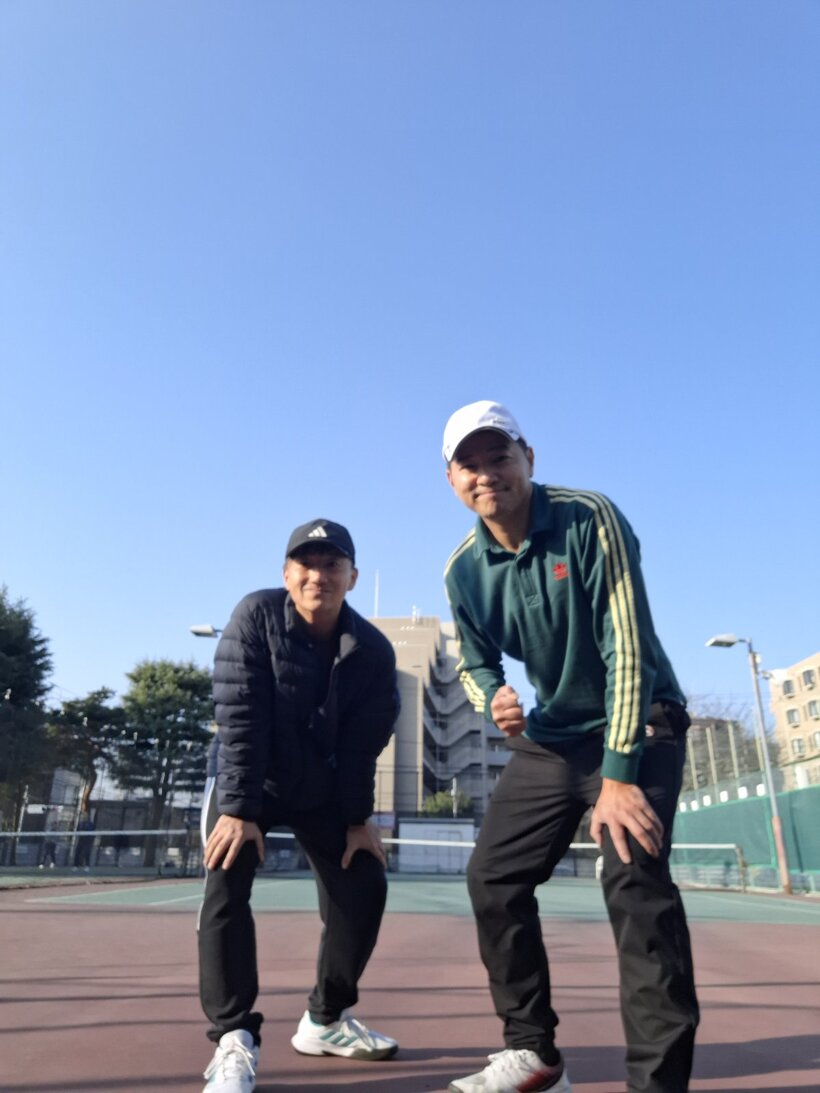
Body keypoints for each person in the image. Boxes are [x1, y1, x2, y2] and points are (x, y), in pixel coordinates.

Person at [440, 401, 699, 1093]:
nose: (487, 473)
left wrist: (619, 774)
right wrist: (491, 697)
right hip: (555, 738)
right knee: (492, 878)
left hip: (640, 724)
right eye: (470, 464)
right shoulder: (463, 570)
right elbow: (473, 661)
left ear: (529, 458)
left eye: (500, 456)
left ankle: (657, 1085)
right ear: (451, 479)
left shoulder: (590, 517)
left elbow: (628, 646)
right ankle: (533, 1052)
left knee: (633, 882)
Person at [198, 518, 400, 1093]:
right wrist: (239, 809)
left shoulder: (373, 651)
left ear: (352, 577)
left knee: (364, 883)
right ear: (286, 574)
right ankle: (234, 1037)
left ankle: (326, 1019)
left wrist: (358, 820)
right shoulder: (255, 616)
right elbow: (240, 715)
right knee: (227, 873)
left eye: (332, 564)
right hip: (251, 779)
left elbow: (363, 744)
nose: (319, 575)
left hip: (321, 788)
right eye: (306, 564)